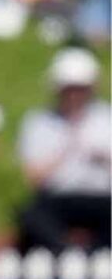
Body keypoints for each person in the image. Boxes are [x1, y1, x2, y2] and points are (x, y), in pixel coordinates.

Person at [16, 47, 111, 254]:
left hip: (103, 198)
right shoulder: (39, 122)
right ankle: (65, 254)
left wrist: (101, 155)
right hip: (57, 199)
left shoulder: (107, 118)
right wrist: (66, 149)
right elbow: (33, 178)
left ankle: (98, 255)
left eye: (80, 88)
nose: (75, 95)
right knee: (31, 215)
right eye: (69, 88)